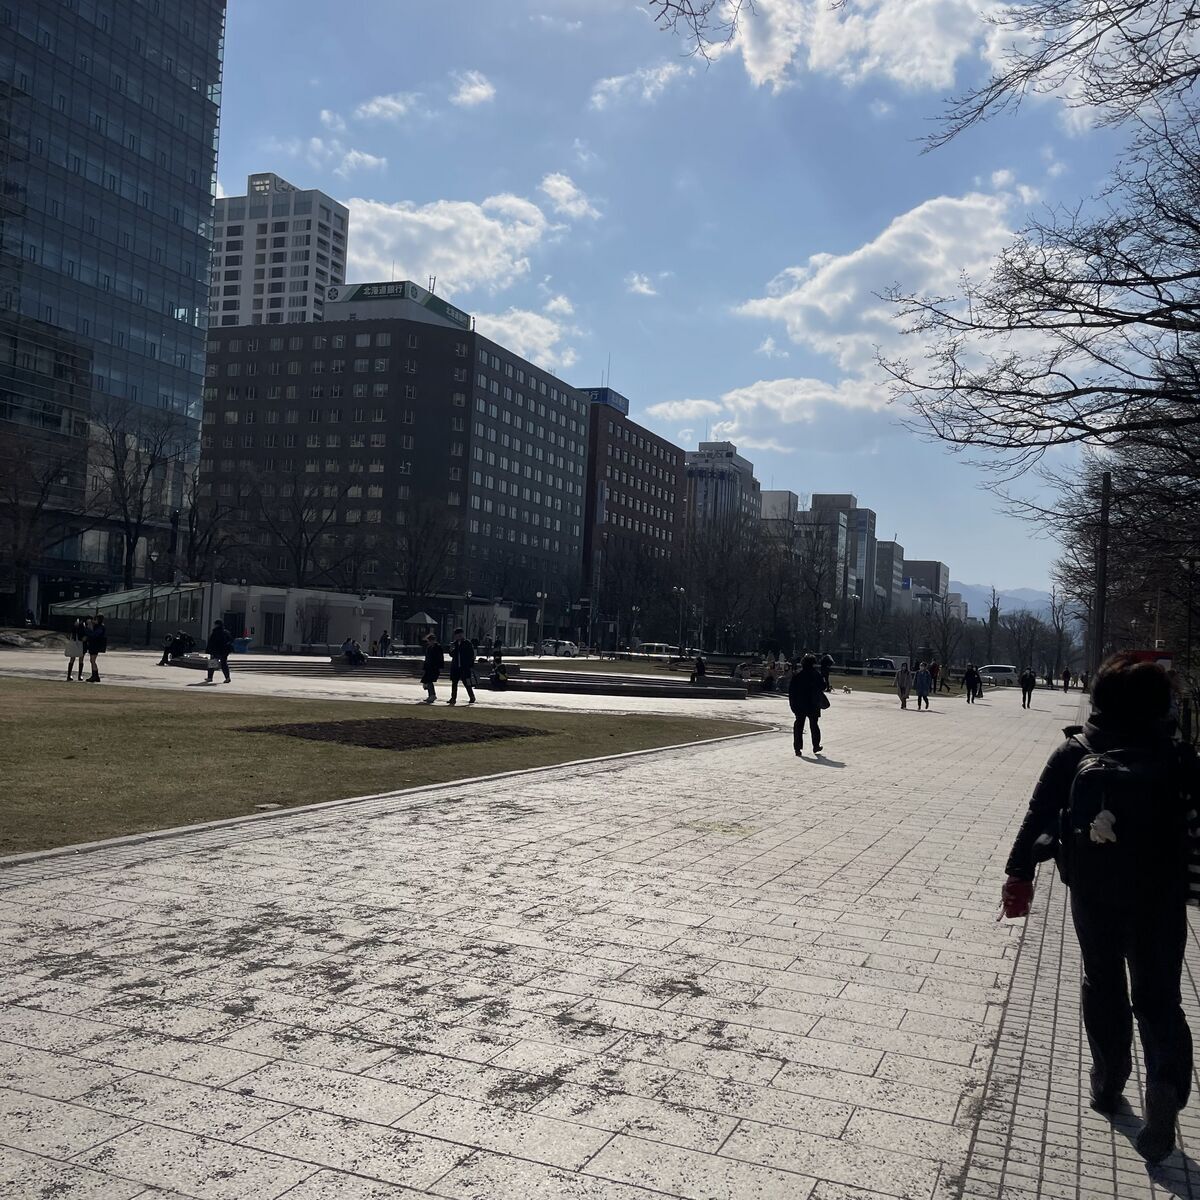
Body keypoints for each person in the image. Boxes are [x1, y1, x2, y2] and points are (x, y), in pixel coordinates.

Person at [1000, 653, 1197, 1163]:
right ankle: (1165, 1086)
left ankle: (1108, 1083)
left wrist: (1019, 873)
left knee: (1102, 983)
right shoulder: (1178, 758)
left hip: (1094, 892)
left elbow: (1038, 815)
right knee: (1159, 998)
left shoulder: (1076, 751)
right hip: (1160, 896)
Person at [789, 654, 827, 756]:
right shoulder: (816, 674)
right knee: (814, 725)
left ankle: (797, 748)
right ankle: (816, 745)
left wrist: (792, 705)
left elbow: (791, 691)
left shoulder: (797, 675)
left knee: (798, 726)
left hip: (800, 704)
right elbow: (823, 686)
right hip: (813, 703)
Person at [447, 627, 477, 706]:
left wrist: (470, 665)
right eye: (457, 634)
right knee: (454, 683)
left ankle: (472, 696)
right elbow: (452, 654)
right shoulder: (454, 644)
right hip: (456, 667)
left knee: (466, 683)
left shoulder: (467, 643)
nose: (459, 636)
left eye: (460, 634)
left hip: (464, 667)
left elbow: (471, 655)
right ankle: (453, 698)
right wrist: (451, 649)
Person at [205, 619, 234, 684]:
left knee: (212, 663)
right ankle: (227, 678)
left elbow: (211, 642)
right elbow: (231, 641)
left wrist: (210, 651)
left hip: (216, 651)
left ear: (217, 625)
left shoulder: (215, 632)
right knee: (224, 664)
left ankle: (210, 677)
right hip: (224, 651)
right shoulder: (226, 632)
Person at [420, 632, 444, 703]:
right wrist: (424, 667)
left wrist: (440, 667)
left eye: (431, 640)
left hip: (434, 667)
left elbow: (440, 658)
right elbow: (427, 658)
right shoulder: (429, 648)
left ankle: (432, 695)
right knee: (427, 681)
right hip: (428, 667)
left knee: (429, 681)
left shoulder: (438, 647)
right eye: (429, 641)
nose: (430, 642)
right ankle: (431, 695)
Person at [84, 614, 107, 683]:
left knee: (93, 660)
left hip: (96, 645)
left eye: (95, 619)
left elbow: (94, 635)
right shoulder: (97, 626)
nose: (93, 621)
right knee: (92, 660)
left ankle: (95, 676)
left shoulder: (100, 627)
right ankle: (95, 675)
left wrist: (88, 629)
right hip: (93, 644)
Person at [66, 617, 89, 681]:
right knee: (79, 659)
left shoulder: (77, 627)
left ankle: (70, 675)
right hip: (81, 644)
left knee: (73, 659)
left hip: (77, 643)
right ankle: (78, 676)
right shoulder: (84, 626)